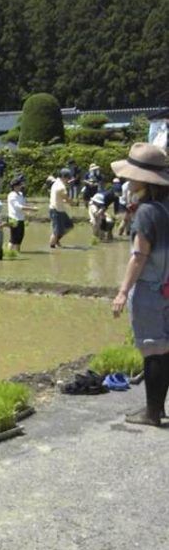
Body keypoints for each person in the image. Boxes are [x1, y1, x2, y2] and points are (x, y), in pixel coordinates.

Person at [110, 143, 169, 426]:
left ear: (143, 179)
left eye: (131, 176)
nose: (127, 181)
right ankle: (159, 407)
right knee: (165, 348)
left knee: (152, 349)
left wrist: (122, 292)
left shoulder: (146, 212)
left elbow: (139, 256)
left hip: (150, 289)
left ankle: (152, 413)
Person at [6, 175, 36, 252]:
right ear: (15, 186)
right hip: (14, 219)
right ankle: (9, 252)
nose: (21, 186)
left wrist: (29, 210)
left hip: (20, 218)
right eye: (19, 185)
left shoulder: (20, 194)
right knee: (13, 238)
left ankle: (17, 252)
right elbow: (19, 206)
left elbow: (24, 204)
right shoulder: (12, 195)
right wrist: (32, 209)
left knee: (20, 237)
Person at [49, 168, 74, 248]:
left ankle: (56, 240)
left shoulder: (56, 182)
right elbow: (67, 199)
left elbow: (51, 178)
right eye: (68, 178)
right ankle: (52, 247)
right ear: (64, 177)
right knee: (56, 231)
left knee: (69, 226)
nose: (68, 180)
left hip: (59, 209)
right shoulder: (61, 187)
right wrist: (72, 203)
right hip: (56, 210)